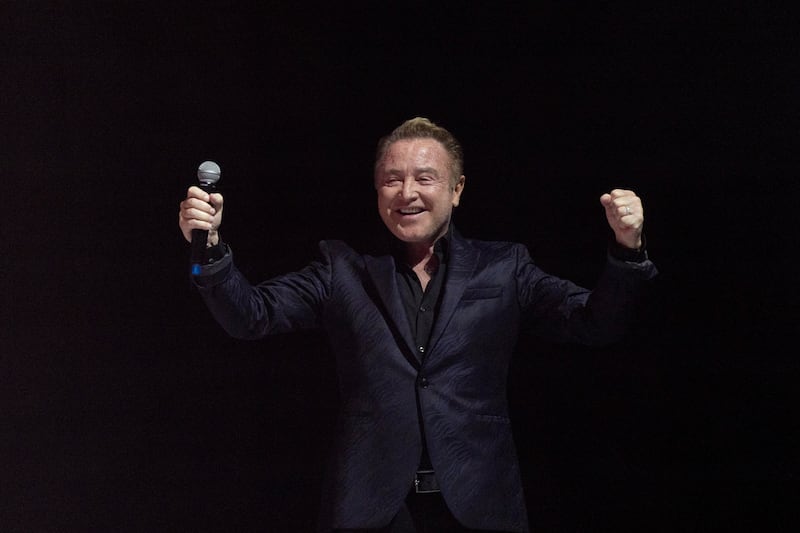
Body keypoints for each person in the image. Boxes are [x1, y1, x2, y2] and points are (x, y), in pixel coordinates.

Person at [178, 117, 658, 532]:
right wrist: (209, 250)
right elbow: (251, 315)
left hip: (478, 506)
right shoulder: (342, 267)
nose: (407, 192)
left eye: (424, 178)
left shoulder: (504, 267)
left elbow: (595, 323)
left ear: (457, 189)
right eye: (392, 179)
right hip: (371, 510)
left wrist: (627, 248)